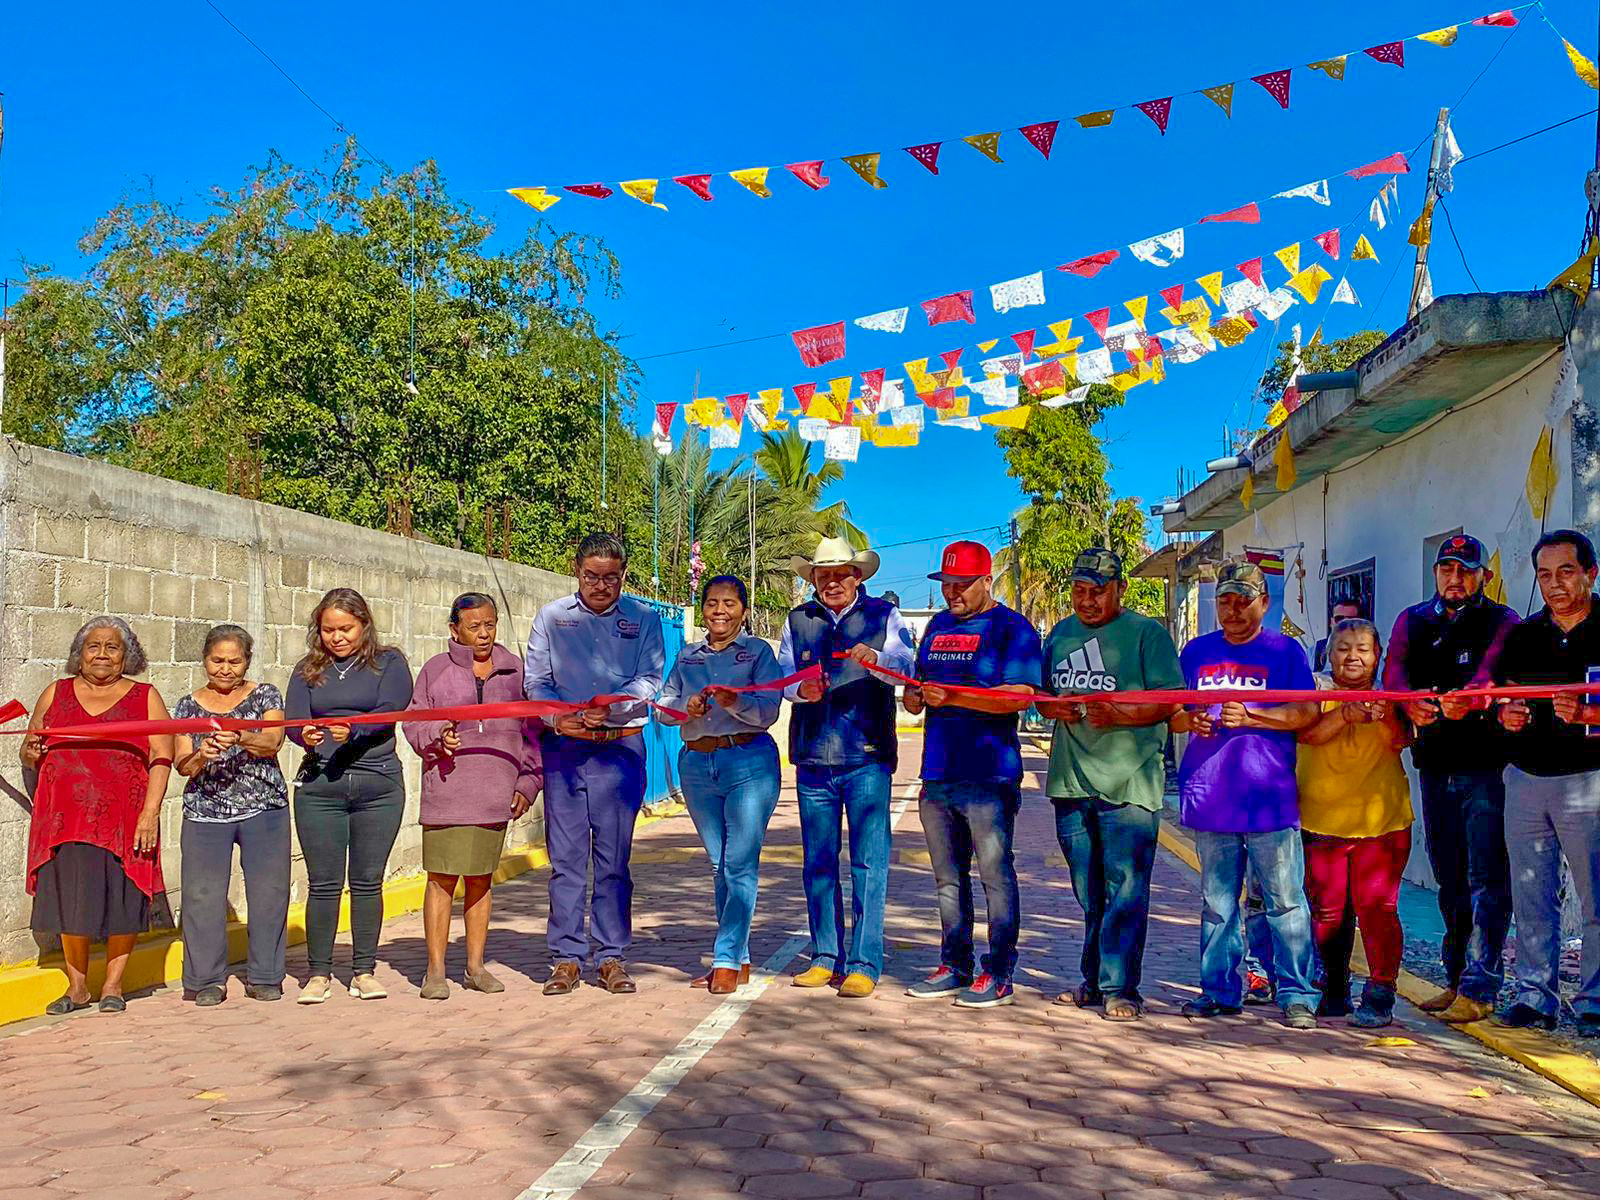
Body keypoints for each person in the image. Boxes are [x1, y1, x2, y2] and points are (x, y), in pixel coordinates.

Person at [1170, 560, 1322, 1029]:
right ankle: (1219, 990)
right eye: (1225, 601)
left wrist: (1254, 717)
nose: (1233, 610)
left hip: (1269, 799)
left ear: (1263, 603)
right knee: (1218, 904)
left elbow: (1307, 714)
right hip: (1211, 796)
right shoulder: (1195, 652)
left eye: (1242, 600)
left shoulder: (1285, 651)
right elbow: (1172, 714)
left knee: (1285, 902)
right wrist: (1187, 720)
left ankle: (1297, 994)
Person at [1034, 548, 1182, 1021]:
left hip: (1130, 783)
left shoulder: (1147, 634)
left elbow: (1171, 700)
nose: (1089, 601)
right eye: (1080, 591)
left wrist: (1120, 711)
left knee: (1126, 888)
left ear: (1119, 589)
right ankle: (1094, 981)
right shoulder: (1059, 634)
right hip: (1070, 781)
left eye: (1098, 591)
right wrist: (1049, 708)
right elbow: (1042, 696)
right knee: (1088, 889)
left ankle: (1121, 987)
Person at [901, 541, 1042, 1009]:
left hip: (989, 778)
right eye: (947, 585)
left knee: (995, 877)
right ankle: (953, 963)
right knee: (947, 879)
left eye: (963, 585)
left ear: (987, 581)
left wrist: (955, 698)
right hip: (938, 774)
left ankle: (998, 972)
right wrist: (916, 698)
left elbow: (1020, 696)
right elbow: (922, 688)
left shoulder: (1012, 629)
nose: (953, 594)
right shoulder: (938, 627)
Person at [1384, 533, 1517, 1024]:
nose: (1454, 578)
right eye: (1446, 568)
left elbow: (1489, 676)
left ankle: (1482, 986)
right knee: (1449, 879)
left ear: (1483, 574)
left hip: (1486, 768)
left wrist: (1474, 698)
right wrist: (1408, 703)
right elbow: (1393, 675)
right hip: (1433, 766)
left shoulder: (1502, 620)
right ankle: (1457, 976)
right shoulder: (1412, 620)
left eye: (1465, 569)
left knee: (1487, 878)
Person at [525, 532, 665, 996]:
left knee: (613, 861)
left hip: (619, 751)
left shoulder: (644, 619)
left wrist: (616, 706)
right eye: (591, 576)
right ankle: (565, 957)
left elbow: (650, 680)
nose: (601, 586)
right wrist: (561, 718)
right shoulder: (551, 618)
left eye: (611, 578)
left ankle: (610, 956)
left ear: (623, 576)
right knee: (565, 862)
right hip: (565, 751)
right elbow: (536, 683)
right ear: (576, 571)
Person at [778, 535, 917, 998]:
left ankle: (863, 961)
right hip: (813, 758)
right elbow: (784, 679)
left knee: (867, 863)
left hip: (868, 757)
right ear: (813, 579)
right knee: (818, 862)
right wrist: (802, 692)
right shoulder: (798, 620)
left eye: (841, 573)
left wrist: (876, 658)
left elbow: (905, 661)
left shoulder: (883, 615)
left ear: (858, 576)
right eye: (824, 575)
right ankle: (823, 956)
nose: (833, 582)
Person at [21, 617, 173, 1015]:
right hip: (64, 819)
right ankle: (77, 989)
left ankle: (113, 986)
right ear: (79, 654)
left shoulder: (145, 696)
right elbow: (30, 746)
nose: (102, 654)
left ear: (127, 655)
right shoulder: (57, 691)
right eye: (94, 646)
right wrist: (30, 753)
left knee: (122, 897)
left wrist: (150, 812)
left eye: (113, 647)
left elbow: (162, 755)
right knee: (71, 900)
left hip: (125, 818)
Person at [404, 593, 542, 1001]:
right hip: (447, 791)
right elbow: (414, 723)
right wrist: (435, 738)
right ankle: (434, 971)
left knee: (481, 880)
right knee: (442, 879)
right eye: (473, 626)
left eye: (490, 624)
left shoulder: (515, 671)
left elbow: (534, 734)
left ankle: (476, 966)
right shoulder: (434, 671)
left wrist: (527, 784)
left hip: (495, 792)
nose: (483, 633)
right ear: (454, 629)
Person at [1494, 530, 1600, 1037]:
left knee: (1597, 897)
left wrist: (1589, 714)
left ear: (1590, 574)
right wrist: (1508, 715)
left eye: (1565, 572)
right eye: (1544, 574)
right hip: (1526, 782)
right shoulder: (1523, 636)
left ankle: (1595, 1002)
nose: (1554, 584)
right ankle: (1535, 997)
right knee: (1531, 895)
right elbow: (1506, 698)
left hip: (1589, 781)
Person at [285, 588, 414, 1004]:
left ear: (364, 625)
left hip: (378, 784)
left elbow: (392, 708)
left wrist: (352, 728)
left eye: (346, 628)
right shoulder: (308, 669)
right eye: (328, 630)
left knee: (366, 881)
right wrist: (302, 734)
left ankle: (364, 969)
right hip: (321, 786)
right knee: (322, 883)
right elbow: (293, 720)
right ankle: (318, 973)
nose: (337, 637)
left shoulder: (388, 662)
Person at [657, 576, 784, 994]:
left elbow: (768, 712)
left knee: (739, 864)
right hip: (696, 764)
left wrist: (735, 702)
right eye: (711, 603)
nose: (719, 612)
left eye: (729, 604)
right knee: (719, 864)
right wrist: (683, 707)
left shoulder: (758, 653)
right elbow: (663, 708)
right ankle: (740, 957)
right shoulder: (688, 656)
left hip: (748, 763)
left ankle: (726, 958)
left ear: (743, 610)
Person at [1296, 619, 1413, 1028]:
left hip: (1381, 822)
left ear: (1377, 656)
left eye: (1363, 648)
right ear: (1330, 654)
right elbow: (1306, 735)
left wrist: (1378, 713)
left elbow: (1400, 739)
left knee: (1377, 908)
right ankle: (1335, 987)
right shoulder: (1313, 691)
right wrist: (1346, 713)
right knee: (1328, 911)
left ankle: (1381, 991)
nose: (1353, 656)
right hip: (1321, 819)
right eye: (1343, 648)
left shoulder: (1390, 693)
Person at [173, 625, 290, 1006]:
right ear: (205, 660)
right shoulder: (187, 705)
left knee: (269, 894)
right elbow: (182, 764)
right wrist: (200, 755)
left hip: (264, 808)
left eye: (234, 661)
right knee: (202, 897)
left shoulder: (266, 694)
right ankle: (206, 980)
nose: (225, 669)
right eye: (217, 660)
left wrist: (240, 735)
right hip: (206, 812)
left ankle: (266, 975)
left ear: (247, 662)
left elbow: (273, 740)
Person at [1314, 600, 1364, 673]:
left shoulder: (1371, 652)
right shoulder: (1315, 650)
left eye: (1351, 619)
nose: (1344, 624)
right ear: (1331, 622)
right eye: (1339, 618)